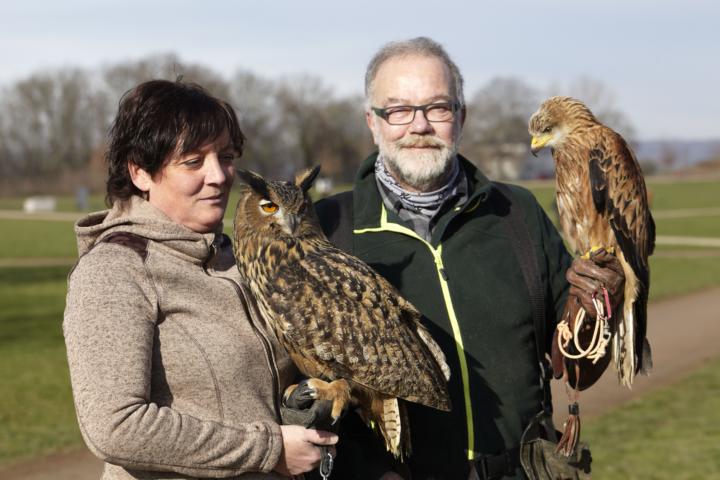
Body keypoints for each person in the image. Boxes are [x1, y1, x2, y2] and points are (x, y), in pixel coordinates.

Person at [314, 38, 625, 479]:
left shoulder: (517, 213)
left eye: (437, 107)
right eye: (399, 110)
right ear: (373, 122)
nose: (419, 125)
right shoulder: (327, 229)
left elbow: (576, 365)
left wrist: (595, 308)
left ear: (460, 117)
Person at [63, 79, 338, 480]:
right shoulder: (116, 270)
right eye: (193, 161)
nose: (219, 175)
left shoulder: (236, 260)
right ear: (140, 172)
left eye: (225, 156)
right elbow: (115, 427)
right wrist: (269, 450)